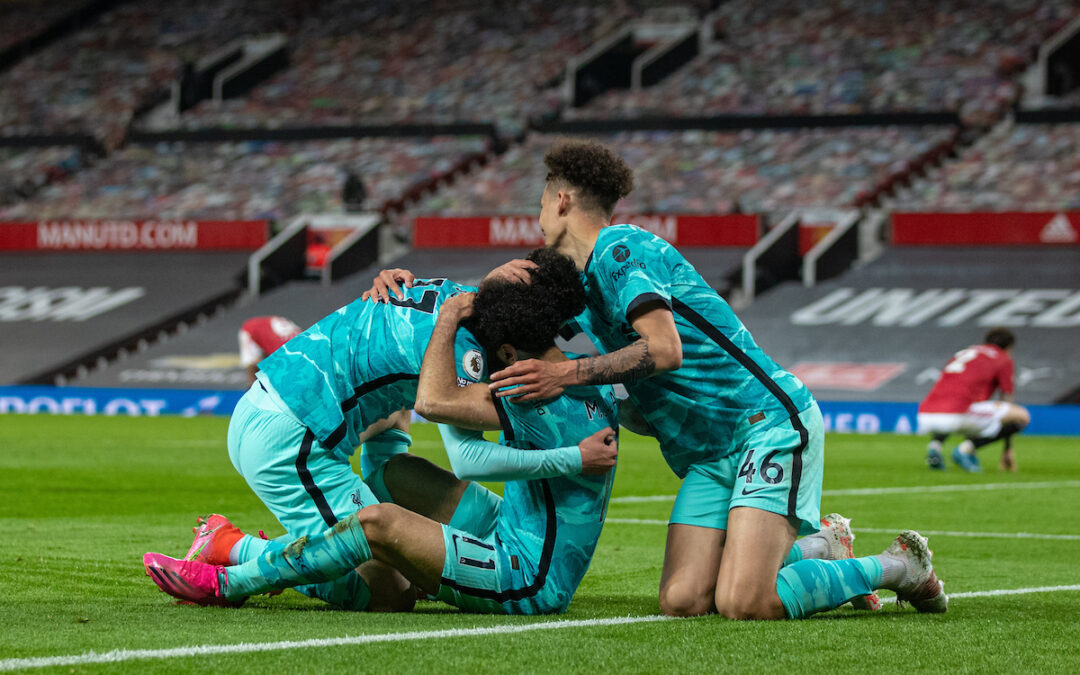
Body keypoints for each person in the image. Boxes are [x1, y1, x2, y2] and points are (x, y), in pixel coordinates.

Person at [365, 139, 947, 620]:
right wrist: (413, 289)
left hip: (765, 426)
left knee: (747, 602)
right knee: (682, 601)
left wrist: (564, 372)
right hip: (706, 455)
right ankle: (820, 547)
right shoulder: (583, 284)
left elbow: (664, 350)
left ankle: (899, 565)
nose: (538, 217)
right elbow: (510, 317)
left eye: (542, 202)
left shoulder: (622, 252)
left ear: (561, 199)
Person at [144, 255, 621, 615]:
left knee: (392, 469)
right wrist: (574, 458)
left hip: (286, 405)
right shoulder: (479, 355)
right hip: (292, 437)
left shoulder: (455, 295)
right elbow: (459, 444)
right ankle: (232, 548)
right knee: (386, 594)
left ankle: (286, 545)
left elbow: (430, 407)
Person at [917, 327, 1030, 473]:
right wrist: (1007, 449)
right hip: (956, 415)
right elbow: (1006, 400)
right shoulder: (1003, 359)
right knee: (1021, 417)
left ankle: (934, 447)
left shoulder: (964, 352)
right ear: (1008, 347)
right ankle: (965, 450)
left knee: (955, 404)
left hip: (925, 413)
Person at [238, 315, 302, 386]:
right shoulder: (284, 352)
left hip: (273, 334)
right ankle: (252, 389)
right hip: (251, 331)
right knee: (253, 366)